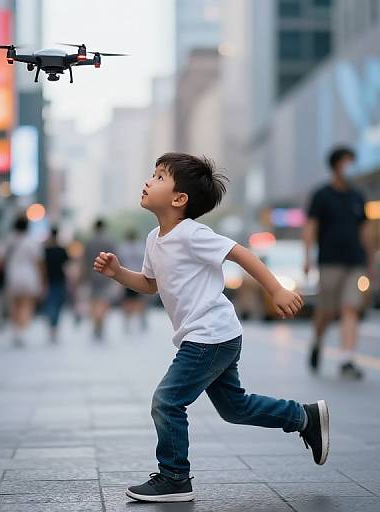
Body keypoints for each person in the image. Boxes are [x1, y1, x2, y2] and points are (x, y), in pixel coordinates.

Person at [93, 153, 329, 503]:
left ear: (179, 199)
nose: (148, 181)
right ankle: (304, 417)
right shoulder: (154, 239)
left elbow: (241, 254)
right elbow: (148, 284)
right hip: (210, 336)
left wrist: (277, 288)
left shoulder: (192, 234)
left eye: (159, 177)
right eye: (152, 174)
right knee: (235, 408)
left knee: (167, 400)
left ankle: (175, 478)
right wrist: (118, 274)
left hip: (210, 335)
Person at [303, 146, 373, 379]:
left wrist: (370, 260)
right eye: (346, 162)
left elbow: (365, 230)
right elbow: (310, 227)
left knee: (350, 308)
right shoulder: (322, 195)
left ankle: (347, 359)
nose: (350, 167)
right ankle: (317, 341)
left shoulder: (357, 196)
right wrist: (307, 257)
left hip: (354, 262)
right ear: (336, 165)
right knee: (327, 310)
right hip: (329, 262)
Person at [1, 215, 44, 347]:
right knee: (26, 304)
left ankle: (16, 330)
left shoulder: (8, 240)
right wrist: (42, 279)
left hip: (12, 275)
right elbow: (38, 262)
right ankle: (22, 330)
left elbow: (1, 258)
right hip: (29, 276)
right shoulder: (32, 241)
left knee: (14, 303)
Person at [82, 219, 117, 340]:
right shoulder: (109, 241)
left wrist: (84, 276)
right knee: (103, 300)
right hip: (106, 275)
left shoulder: (89, 241)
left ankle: (96, 322)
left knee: (94, 301)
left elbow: (85, 260)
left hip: (92, 274)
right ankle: (100, 322)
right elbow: (115, 259)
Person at [118, 229, 148, 333]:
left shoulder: (123, 248)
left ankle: (127, 320)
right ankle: (142, 319)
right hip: (140, 276)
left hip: (127, 277)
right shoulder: (141, 247)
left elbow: (119, 263)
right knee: (140, 300)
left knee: (127, 301)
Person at [43, 226, 69, 342]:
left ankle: (51, 326)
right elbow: (67, 266)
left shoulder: (45, 250)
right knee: (57, 305)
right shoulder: (61, 250)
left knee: (51, 303)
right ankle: (54, 326)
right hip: (60, 280)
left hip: (49, 280)